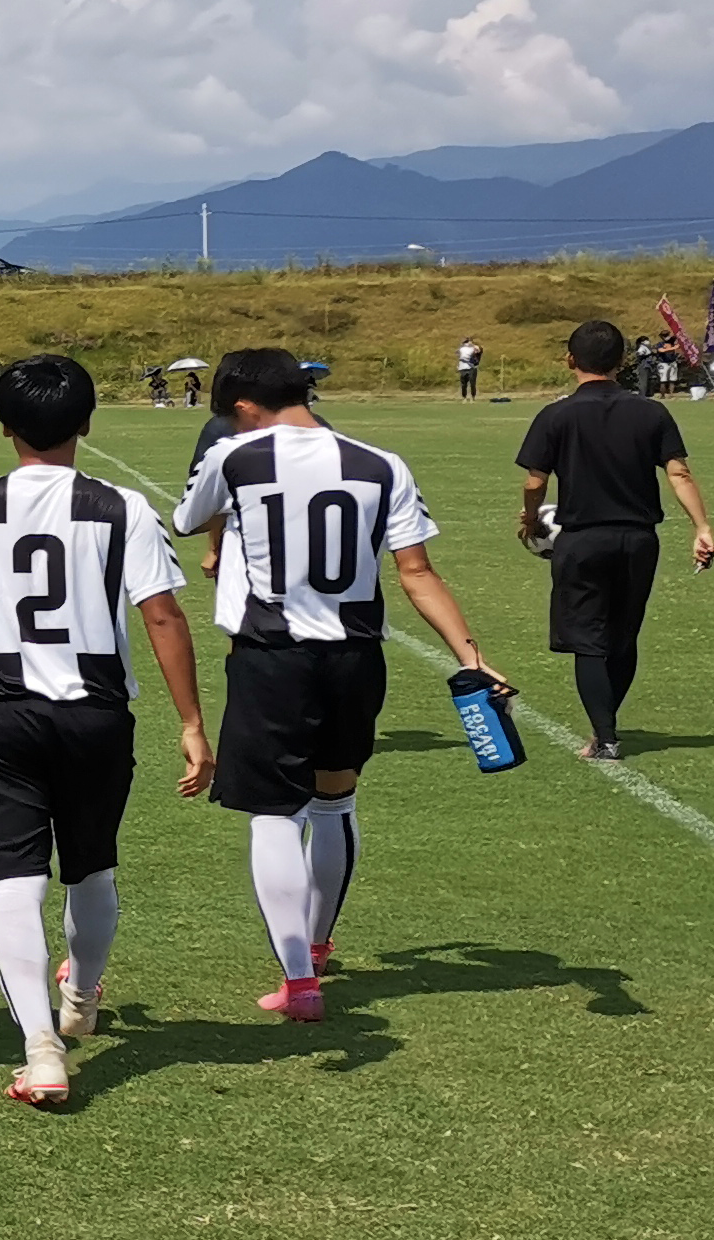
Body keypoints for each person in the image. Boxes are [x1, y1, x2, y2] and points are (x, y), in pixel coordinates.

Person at [0, 355, 213, 1106]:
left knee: (13, 877)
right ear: (86, 423)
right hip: (95, 713)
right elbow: (163, 613)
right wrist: (194, 722)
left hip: (1, 712)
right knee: (92, 867)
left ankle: (40, 1048)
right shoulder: (123, 508)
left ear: (3, 424)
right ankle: (79, 1002)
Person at [172, 349, 509, 1022]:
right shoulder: (382, 463)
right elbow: (416, 572)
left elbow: (187, 520)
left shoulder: (235, 457)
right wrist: (472, 653)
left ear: (242, 408)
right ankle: (319, 946)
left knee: (272, 815)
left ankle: (299, 981)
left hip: (271, 658)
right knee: (334, 804)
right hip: (355, 659)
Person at [516, 321, 714, 759]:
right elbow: (678, 472)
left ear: (570, 360)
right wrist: (701, 527)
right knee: (623, 637)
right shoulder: (651, 412)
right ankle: (605, 729)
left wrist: (532, 519)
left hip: (582, 541)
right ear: (623, 362)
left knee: (588, 639)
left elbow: (535, 482)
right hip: (638, 540)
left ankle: (605, 736)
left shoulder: (556, 414)